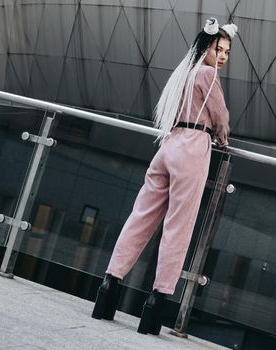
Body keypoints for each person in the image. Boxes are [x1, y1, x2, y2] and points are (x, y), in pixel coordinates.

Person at [91, 18, 237, 336]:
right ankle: (157, 303)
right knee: (177, 228)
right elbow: (221, 116)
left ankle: (108, 286)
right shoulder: (208, 74)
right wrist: (223, 138)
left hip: (168, 146)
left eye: (227, 51)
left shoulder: (184, 72)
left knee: (140, 218)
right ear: (206, 47)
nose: (223, 56)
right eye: (219, 48)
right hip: (193, 148)